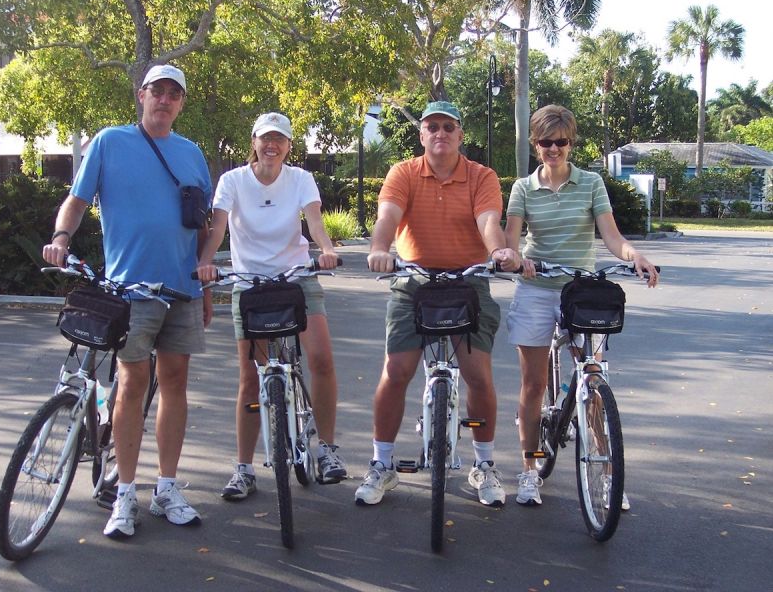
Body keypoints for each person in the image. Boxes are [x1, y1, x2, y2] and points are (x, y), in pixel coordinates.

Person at [43, 64, 213, 538]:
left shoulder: (191, 153)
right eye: (157, 91)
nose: (165, 100)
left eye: (174, 94)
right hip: (130, 289)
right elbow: (77, 201)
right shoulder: (110, 142)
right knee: (133, 383)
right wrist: (61, 238)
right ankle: (123, 493)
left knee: (175, 382)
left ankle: (166, 488)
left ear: (181, 103)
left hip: (181, 288)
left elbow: (203, 225)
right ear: (142, 95)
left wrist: (205, 285)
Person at [356, 101, 521, 508]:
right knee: (396, 371)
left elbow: (488, 222)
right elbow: (388, 216)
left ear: (460, 135)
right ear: (422, 135)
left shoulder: (482, 176)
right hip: (414, 281)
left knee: (478, 375)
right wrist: (379, 249)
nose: (440, 133)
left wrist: (497, 252)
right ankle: (381, 464)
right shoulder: (404, 173)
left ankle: (485, 464)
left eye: (449, 127)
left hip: (468, 281)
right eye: (433, 127)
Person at [505, 104, 659, 508]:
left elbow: (611, 236)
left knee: (593, 378)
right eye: (545, 142)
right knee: (534, 385)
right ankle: (528, 469)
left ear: (571, 143)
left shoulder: (590, 183)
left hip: (581, 290)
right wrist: (518, 257)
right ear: (535, 144)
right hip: (537, 288)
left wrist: (634, 256)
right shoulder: (522, 188)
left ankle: (609, 477)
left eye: (561, 141)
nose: (553, 149)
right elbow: (510, 242)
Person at [196, 112, 347, 500]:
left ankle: (327, 449)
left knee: (322, 360)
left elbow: (314, 221)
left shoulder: (299, 179)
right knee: (251, 378)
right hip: (249, 285)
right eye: (266, 138)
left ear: (288, 147)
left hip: (296, 278)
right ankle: (243, 468)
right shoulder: (232, 181)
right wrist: (206, 262)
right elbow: (217, 227)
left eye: (279, 139)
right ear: (254, 141)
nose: (272, 145)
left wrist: (326, 249)